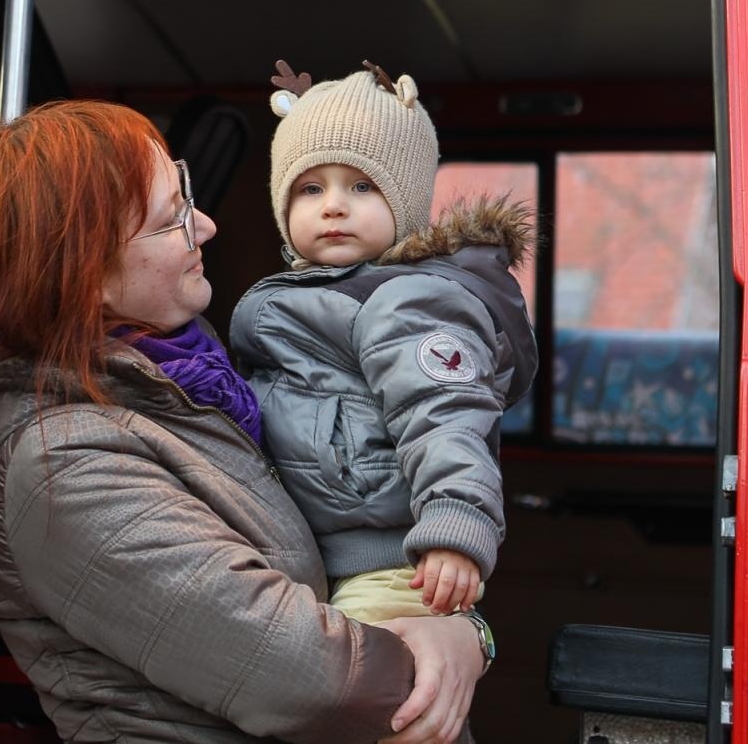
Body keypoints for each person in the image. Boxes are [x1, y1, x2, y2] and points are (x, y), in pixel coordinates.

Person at [0, 100, 486, 744]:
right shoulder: (61, 466)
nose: (206, 226)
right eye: (172, 219)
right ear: (86, 275)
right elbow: (312, 680)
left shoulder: (190, 388)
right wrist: (455, 644)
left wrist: (464, 627)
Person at [229, 62, 536, 625]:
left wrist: (455, 526)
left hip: (397, 566)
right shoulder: (313, 298)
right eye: (310, 188)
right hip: (322, 557)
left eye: (362, 185)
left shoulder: (405, 301)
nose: (334, 205)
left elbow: (444, 415)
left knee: (375, 699)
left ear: (408, 202)